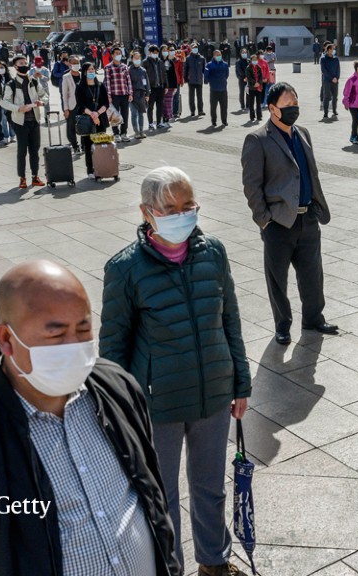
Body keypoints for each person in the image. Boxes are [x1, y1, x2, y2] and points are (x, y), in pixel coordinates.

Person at [0, 259, 181, 576]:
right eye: (56, 334)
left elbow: (152, 504)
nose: (75, 346)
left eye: (83, 329)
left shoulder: (118, 389)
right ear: (7, 340)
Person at [100, 167, 251, 576]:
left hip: (213, 395)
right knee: (161, 494)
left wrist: (241, 382)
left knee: (210, 488)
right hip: (156, 404)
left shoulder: (213, 252)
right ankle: (170, 567)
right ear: (147, 212)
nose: (181, 215)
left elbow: (230, 320)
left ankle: (214, 561)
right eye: (170, 208)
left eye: (188, 206)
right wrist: (118, 411)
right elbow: (113, 349)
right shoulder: (125, 269)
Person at [241, 83, 336, 345]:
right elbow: (252, 186)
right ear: (272, 109)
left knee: (312, 274)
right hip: (279, 222)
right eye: (287, 105)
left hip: (308, 218)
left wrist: (316, 207)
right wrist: (265, 220)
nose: (293, 108)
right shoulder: (258, 140)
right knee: (277, 278)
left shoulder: (303, 133)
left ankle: (314, 318)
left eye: (295, 103)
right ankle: (282, 325)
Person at [0, 55, 47, 189]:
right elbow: (4, 102)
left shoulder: (34, 81)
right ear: (15, 67)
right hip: (20, 122)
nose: (24, 64)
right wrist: (19, 108)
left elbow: (44, 95)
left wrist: (42, 102)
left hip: (35, 120)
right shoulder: (11, 84)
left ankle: (35, 176)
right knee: (22, 151)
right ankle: (22, 178)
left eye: (25, 62)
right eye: (21, 63)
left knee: (35, 150)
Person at [76, 62, 110, 180]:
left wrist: (98, 113)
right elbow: (80, 105)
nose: (91, 72)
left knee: (101, 144)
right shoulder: (80, 87)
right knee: (89, 145)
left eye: (92, 69)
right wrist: (92, 115)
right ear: (84, 72)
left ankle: (101, 167)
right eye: (89, 70)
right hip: (87, 119)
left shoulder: (100, 85)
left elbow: (106, 103)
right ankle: (90, 169)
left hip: (100, 118)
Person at [103, 47, 133, 142]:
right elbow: (107, 82)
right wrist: (109, 96)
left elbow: (128, 81)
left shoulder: (124, 66)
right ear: (112, 55)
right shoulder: (108, 67)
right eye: (116, 53)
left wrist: (130, 93)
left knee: (125, 114)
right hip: (114, 95)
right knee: (114, 115)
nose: (118, 55)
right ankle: (116, 134)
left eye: (119, 53)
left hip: (124, 94)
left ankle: (123, 133)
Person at [60, 55, 83, 152]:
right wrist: (65, 109)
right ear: (69, 64)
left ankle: (84, 145)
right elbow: (64, 95)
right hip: (72, 105)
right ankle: (75, 145)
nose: (76, 65)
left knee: (84, 125)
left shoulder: (83, 75)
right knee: (71, 127)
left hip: (83, 105)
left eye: (77, 63)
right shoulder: (66, 77)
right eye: (73, 63)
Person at [343, 61, 358, 145]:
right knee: (355, 120)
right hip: (353, 104)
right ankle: (353, 136)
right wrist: (346, 103)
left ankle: (356, 136)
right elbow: (346, 92)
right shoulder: (351, 79)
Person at [204, 49, 229, 127]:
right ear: (214, 56)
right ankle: (213, 121)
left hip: (223, 89)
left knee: (224, 107)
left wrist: (223, 81)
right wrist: (210, 81)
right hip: (214, 89)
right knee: (213, 107)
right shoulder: (209, 65)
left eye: (220, 55)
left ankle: (224, 121)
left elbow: (227, 75)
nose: (219, 56)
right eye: (217, 55)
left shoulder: (225, 64)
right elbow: (206, 75)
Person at [144, 45, 166, 130]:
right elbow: (144, 77)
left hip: (160, 87)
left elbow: (164, 74)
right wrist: (146, 89)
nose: (155, 54)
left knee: (160, 106)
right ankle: (150, 123)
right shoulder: (146, 62)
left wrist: (165, 85)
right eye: (154, 52)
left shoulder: (160, 62)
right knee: (150, 106)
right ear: (150, 53)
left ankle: (159, 122)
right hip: (151, 88)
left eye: (157, 52)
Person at [128, 50, 150, 138]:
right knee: (134, 114)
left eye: (138, 58)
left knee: (141, 114)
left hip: (142, 94)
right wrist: (129, 94)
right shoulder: (129, 70)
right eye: (135, 58)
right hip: (132, 95)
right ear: (132, 59)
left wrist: (147, 94)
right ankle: (136, 131)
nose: (137, 59)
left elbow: (147, 83)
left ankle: (141, 131)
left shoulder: (143, 70)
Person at [184, 43, 206, 117]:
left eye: (196, 48)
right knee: (191, 97)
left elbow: (204, 70)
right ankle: (192, 111)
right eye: (193, 48)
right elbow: (185, 69)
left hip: (199, 80)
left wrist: (205, 79)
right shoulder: (188, 58)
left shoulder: (202, 58)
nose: (195, 49)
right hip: (191, 80)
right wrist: (185, 79)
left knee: (200, 97)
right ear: (191, 49)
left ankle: (200, 110)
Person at [321, 43, 340, 119]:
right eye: (332, 49)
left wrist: (336, 78)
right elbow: (324, 71)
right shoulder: (323, 59)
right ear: (328, 50)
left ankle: (334, 110)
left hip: (335, 80)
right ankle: (325, 113)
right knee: (327, 96)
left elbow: (338, 69)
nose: (333, 50)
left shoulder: (336, 59)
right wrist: (331, 78)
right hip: (327, 81)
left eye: (333, 49)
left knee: (335, 96)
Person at [31, 56, 52, 125]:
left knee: (46, 104)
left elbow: (48, 79)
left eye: (39, 62)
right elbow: (28, 78)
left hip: (44, 89)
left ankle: (47, 117)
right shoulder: (32, 70)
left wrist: (41, 76)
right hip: (34, 90)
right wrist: (34, 76)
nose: (38, 63)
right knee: (34, 104)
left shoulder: (45, 70)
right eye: (37, 62)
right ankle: (36, 118)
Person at [245, 51, 265, 122]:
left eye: (256, 59)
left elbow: (261, 77)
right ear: (251, 60)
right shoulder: (248, 68)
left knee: (258, 102)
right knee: (251, 103)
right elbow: (249, 77)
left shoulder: (259, 67)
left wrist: (259, 83)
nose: (255, 61)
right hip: (252, 87)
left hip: (258, 87)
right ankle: (252, 116)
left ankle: (259, 116)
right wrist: (254, 83)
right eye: (253, 60)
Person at [164, 47, 179, 125]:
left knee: (169, 103)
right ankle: (162, 120)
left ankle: (168, 118)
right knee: (163, 104)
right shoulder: (160, 62)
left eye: (166, 51)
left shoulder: (170, 62)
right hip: (162, 87)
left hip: (170, 86)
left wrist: (175, 86)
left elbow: (174, 75)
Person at [236, 47, 250, 113]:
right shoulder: (238, 62)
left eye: (245, 52)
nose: (244, 54)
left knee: (248, 93)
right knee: (242, 93)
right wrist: (244, 77)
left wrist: (249, 77)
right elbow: (239, 71)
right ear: (241, 53)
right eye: (243, 53)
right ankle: (242, 106)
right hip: (242, 79)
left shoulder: (249, 61)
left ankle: (248, 106)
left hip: (249, 80)